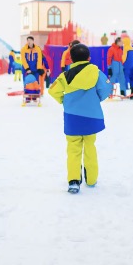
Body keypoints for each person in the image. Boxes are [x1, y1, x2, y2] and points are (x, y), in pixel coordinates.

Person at [48, 43, 112, 194]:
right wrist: (96, 98)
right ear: (89, 58)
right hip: (92, 116)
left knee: (73, 149)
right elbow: (107, 88)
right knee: (90, 146)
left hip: (72, 118)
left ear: (70, 59)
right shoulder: (95, 72)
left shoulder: (65, 76)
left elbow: (52, 91)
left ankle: (73, 181)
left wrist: (64, 101)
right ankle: (91, 179)